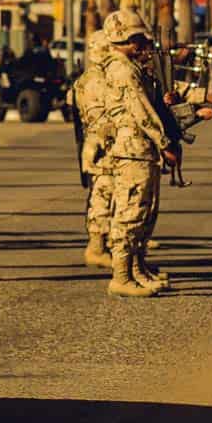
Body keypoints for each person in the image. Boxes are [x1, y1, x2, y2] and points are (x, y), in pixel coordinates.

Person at [96, 10, 177, 298]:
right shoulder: (122, 69)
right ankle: (121, 277)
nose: (144, 44)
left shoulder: (129, 66)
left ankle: (135, 270)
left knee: (143, 211)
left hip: (140, 149)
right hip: (133, 151)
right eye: (139, 38)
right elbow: (140, 110)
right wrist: (164, 141)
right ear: (126, 38)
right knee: (130, 213)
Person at [67, 29, 117, 270]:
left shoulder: (99, 76)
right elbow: (99, 120)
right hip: (102, 146)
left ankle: (106, 245)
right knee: (102, 194)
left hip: (104, 143)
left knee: (109, 194)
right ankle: (97, 247)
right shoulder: (95, 80)